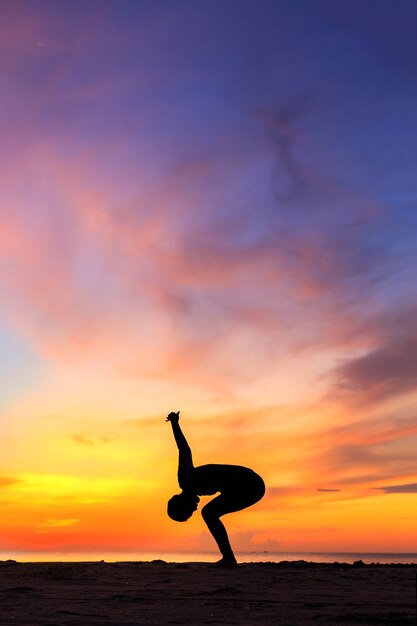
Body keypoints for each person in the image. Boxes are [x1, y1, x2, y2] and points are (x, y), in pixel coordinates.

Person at [166, 411, 265, 568]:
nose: (194, 509)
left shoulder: (185, 479)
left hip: (251, 484)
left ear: (183, 503)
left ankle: (228, 558)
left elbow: (184, 449)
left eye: (190, 511)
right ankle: (228, 557)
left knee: (208, 513)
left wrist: (174, 423)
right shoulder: (191, 484)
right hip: (250, 485)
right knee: (209, 512)